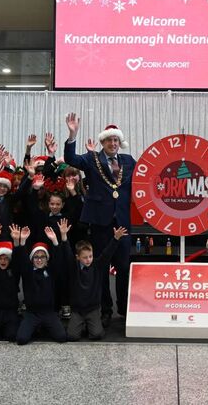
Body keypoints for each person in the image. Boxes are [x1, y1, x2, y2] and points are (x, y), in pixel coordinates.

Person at [64, 113, 136, 328]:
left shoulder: (129, 161)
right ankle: (104, 310)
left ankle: (124, 309)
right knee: (101, 269)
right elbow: (71, 159)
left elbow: (147, 178)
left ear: (119, 142)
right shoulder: (92, 158)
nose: (112, 144)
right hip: (100, 223)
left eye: (115, 140)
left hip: (122, 222)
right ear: (102, 142)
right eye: (108, 140)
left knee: (124, 267)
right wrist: (72, 134)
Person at [62, 218, 126, 341]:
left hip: (93, 309)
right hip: (77, 310)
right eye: (85, 257)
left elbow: (107, 253)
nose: (88, 259)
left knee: (97, 334)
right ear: (78, 257)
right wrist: (64, 236)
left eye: (90, 256)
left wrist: (116, 238)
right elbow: (67, 253)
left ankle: (88, 325)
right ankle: (81, 324)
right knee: (72, 336)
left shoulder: (97, 265)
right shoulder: (73, 266)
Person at [16, 226, 68, 345]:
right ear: (32, 259)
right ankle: (35, 327)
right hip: (31, 313)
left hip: (48, 312)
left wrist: (55, 240)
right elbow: (22, 259)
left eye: (42, 257)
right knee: (21, 339)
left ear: (47, 259)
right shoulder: (28, 272)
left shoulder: (51, 271)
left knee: (61, 337)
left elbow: (59, 259)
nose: (39, 260)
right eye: (36, 257)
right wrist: (22, 241)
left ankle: (44, 327)